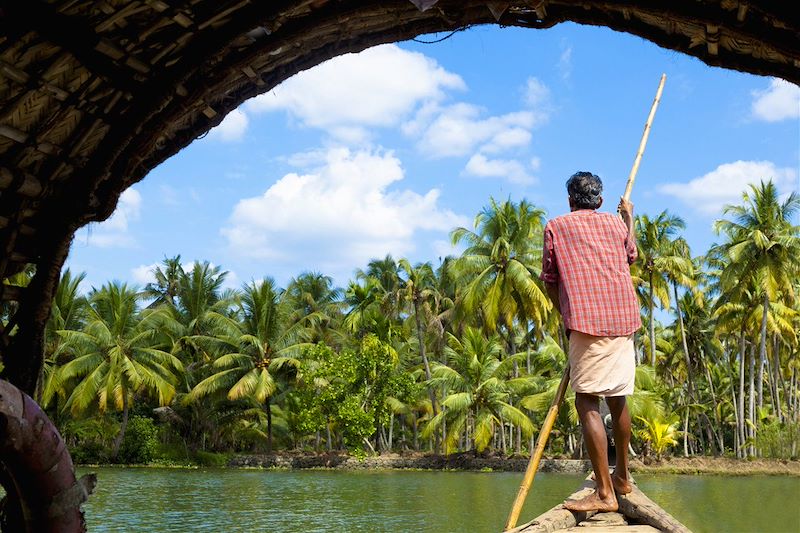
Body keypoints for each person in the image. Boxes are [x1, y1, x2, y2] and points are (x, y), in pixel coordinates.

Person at [540, 171, 640, 512]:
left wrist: (566, 315)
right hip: (623, 320)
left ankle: (604, 493)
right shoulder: (615, 225)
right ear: (598, 201)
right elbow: (632, 255)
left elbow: (550, 279)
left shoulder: (556, 226)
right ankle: (622, 477)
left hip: (587, 322)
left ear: (570, 201)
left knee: (586, 401)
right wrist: (629, 217)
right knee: (618, 398)